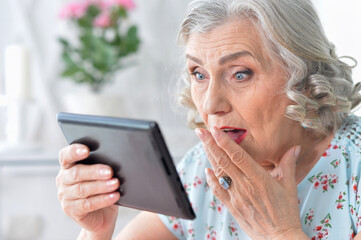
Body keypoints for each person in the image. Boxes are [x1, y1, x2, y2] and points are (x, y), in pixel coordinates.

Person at [56, 0, 361, 239]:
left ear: (305, 79)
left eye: (240, 74)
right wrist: (97, 231)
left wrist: (280, 233)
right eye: (198, 74)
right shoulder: (200, 171)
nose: (211, 104)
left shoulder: (354, 169)